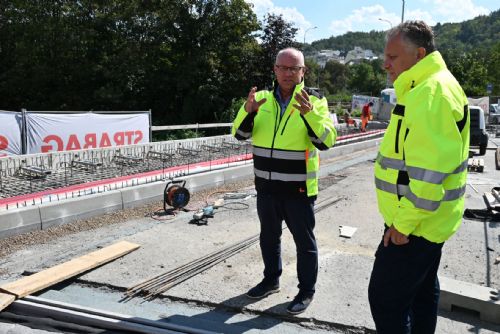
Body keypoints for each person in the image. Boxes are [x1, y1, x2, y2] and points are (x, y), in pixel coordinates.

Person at [368, 21, 470, 333]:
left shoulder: (430, 94)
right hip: (428, 222)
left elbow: (428, 175)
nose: (386, 64)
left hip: (414, 225)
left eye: (393, 57)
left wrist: (402, 226)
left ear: (419, 54)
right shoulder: (429, 87)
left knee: (385, 299)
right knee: (422, 295)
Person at [232, 47, 336, 315]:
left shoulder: (315, 101)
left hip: (298, 188)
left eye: (294, 68)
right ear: (275, 70)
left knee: (304, 243)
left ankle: (306, 290)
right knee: (269, 237)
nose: (288, 73)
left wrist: (309, 114)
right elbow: (239, 134)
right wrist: (248, 110)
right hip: (266, 188)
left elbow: (326, 141)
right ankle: (270, 280)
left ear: (304, 72)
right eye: (283, 67)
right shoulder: (262, 99)